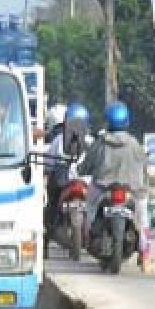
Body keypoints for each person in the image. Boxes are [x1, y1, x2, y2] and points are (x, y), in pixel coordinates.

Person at [78, 101, 153, 274]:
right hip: (132, 190)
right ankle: (146, 258)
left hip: (103, 187)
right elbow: (144, 166)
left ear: (107, 121)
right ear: (126, 121)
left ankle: (86, 237)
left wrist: (83, 170)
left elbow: (87, 165)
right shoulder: (134, 144)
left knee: (89, 209)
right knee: (143, 220)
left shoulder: (100, 143)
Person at [44, 102, 92, 239]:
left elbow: (48, 163)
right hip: (85, 182)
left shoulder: (58, 139)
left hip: (62, 181)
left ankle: (48, 231)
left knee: (51, 203)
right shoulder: (91, 140)